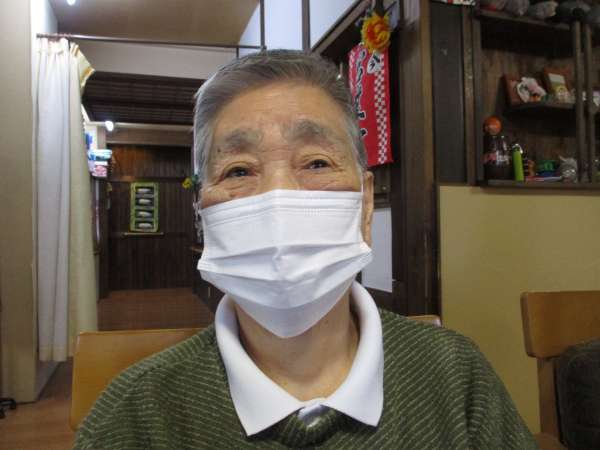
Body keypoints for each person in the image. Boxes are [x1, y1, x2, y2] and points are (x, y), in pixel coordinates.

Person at [73, 50, 537, 450]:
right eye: (238, 171)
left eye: (316, 162)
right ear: (203, 212)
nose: (278, 198)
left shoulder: (456, 376)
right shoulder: (132, 418)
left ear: (365, 205)